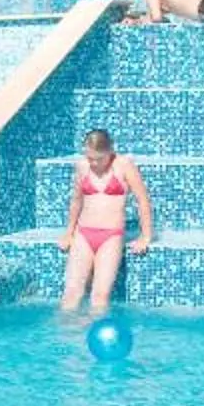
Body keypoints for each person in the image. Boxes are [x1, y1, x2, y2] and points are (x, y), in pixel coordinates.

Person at [57, 127, 155, 314]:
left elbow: (142, 199)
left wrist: (146, 236)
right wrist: (69, 233)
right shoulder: (82, 165)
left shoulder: (124, 165)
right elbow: (76, 200)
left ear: (110, 151)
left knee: (99, 297)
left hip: (111, 236)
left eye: (99, 159)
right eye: (90, 157)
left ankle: (97, 337)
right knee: (71, 294)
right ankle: (67, 340)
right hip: (83, 234)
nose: (93, 163)